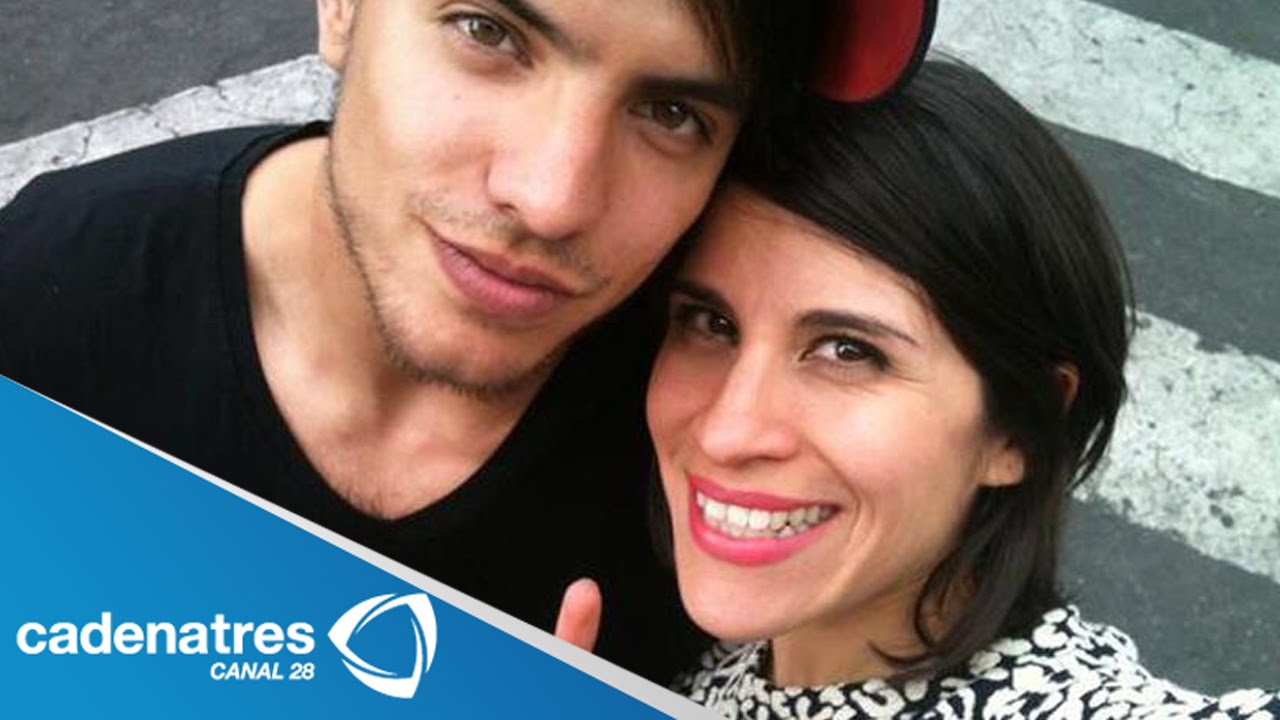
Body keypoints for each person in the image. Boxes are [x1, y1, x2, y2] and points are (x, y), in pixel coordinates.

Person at [0, 0, 945, 683]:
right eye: (488, 33)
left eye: (671, 113)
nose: (552, 198)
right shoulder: (57, 297)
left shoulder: (711, 443)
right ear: (342, 8)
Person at [647, 59, 1280, 717]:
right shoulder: (715, 651)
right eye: (711, 323)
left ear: (1016, 429)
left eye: (848, 351)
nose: (727, 432)